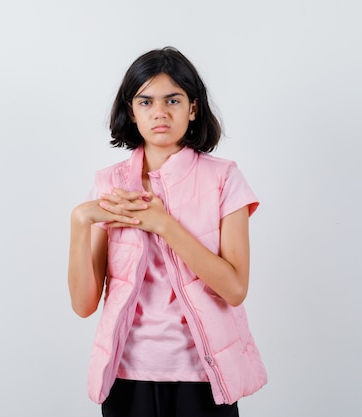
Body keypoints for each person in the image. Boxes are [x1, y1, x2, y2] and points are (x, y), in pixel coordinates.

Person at [68, 47, 267, 417]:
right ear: (132, 111)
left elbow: (235, 288)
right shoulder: (108, 185)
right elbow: (84, 305)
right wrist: (80, 221)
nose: (159, 112)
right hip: (126, 378)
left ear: (193, 108)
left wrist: (163, 225)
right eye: (146, 101)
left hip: (204, 376)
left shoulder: (224, 178)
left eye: (173, 100)